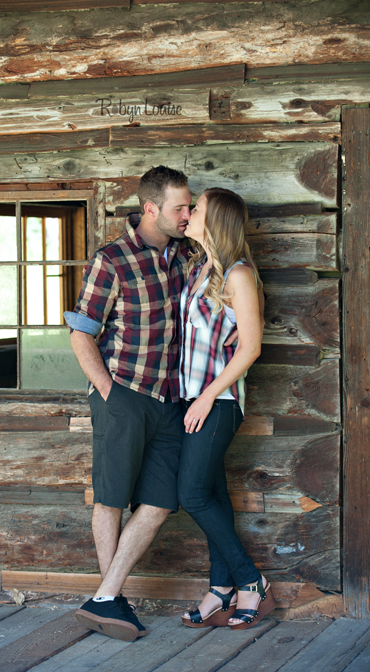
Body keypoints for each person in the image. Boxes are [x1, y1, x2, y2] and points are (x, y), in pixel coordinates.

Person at [66, 166, 191, 641]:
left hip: (171, 400)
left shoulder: (185, 256)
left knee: (160, 502)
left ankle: (105, 597)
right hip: (124, 395)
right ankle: (113, 602)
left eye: (190, 206)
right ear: (151, 209)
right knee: (112, 498)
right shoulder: (112, 260)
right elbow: (81, 333)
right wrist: (108, 392)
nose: (188, 214)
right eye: (180, 207)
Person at [176, 188, 274, 630]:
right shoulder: (202, 268)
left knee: (191, 494)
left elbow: (250, 347)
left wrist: (207, 395)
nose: (189, 212)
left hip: (218, 402)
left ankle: (250, 582)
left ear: (215, 220)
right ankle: (220, 589)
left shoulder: (238, 274)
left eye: (195, 208)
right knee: (212, 494)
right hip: (194, 399)